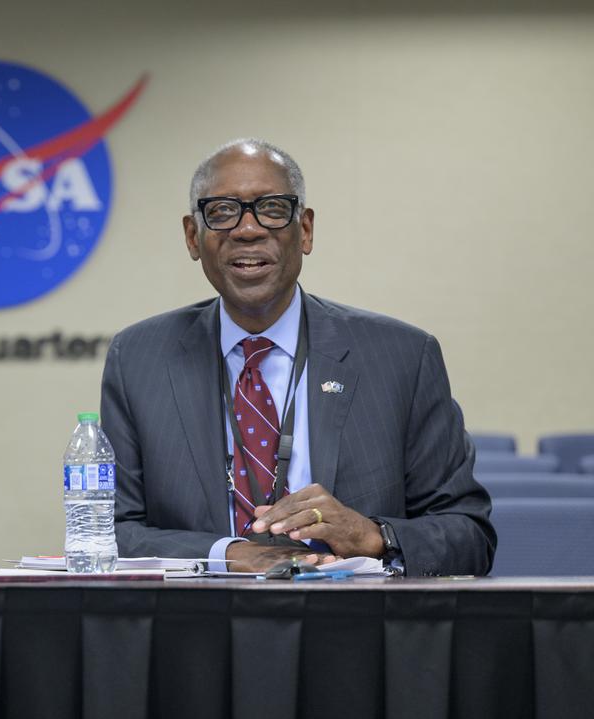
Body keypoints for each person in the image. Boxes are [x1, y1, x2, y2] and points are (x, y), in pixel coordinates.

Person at [101, 139, 494, 575]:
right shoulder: (139, 359)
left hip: (352, 624)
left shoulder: (402, 357)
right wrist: (227, 554)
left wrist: (371, 536)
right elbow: (109, 531)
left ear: (305, 230)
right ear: (194, 237)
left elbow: (469, 535)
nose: (247, 230)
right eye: (222, 212)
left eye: (272, 208)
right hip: (199, 624)